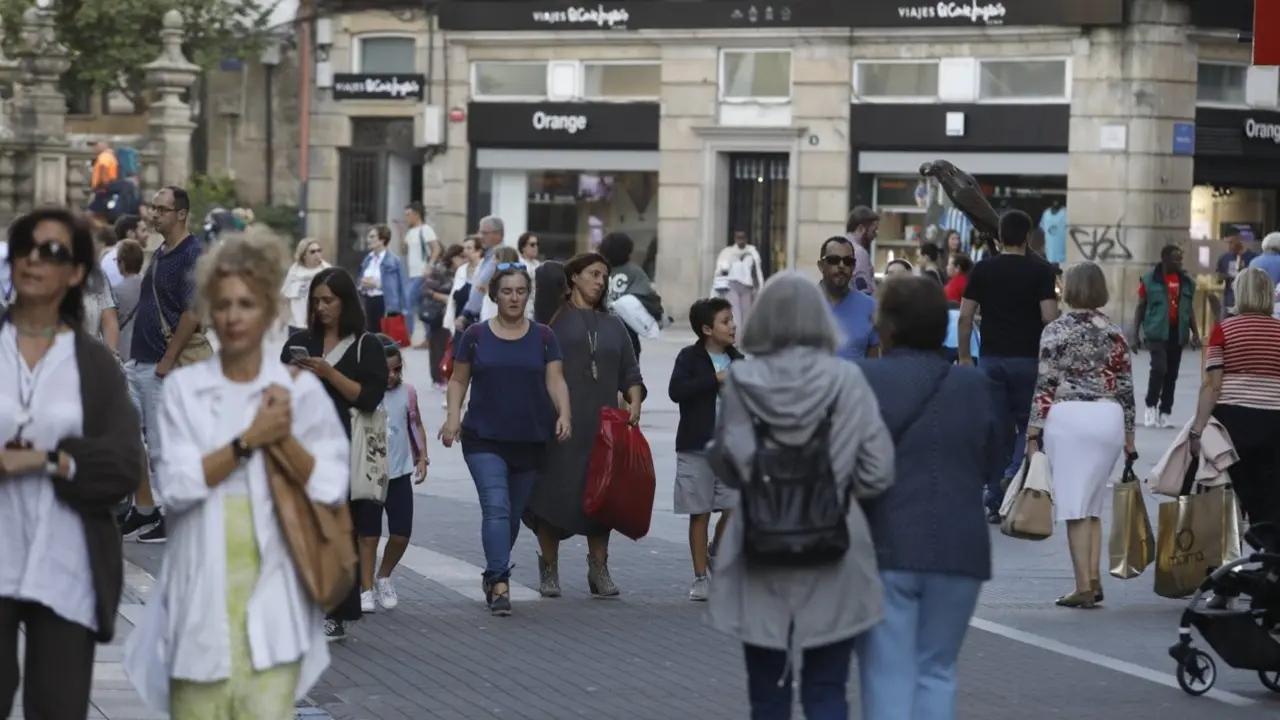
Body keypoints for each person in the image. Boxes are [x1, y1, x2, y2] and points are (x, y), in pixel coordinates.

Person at [125, 229, 349, 718]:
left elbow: (332, 485)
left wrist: (283, 436)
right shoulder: (186, 390)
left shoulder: (298, 392)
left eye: (246, 303)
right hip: (200, 599)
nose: (232, 316)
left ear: (269, 307)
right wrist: (249, 440)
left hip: (274, 602)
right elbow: (179, 487)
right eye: (221, 303)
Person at [707, 272, 895, 719]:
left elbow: (731, 464)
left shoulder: (742, 382)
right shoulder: (847, 381)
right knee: (827, 687)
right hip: (834, 544)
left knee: (768, 694)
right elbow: (878, 470)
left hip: (761, 544)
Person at [0, 208, 142, 719]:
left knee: (57, 708)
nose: (34, 261)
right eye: (25, 250)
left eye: (52, 252)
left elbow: (125, 465)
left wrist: (50, 460)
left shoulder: (93, 365)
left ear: (77, 273)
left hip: (65, 564)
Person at [854, 275, 997, 720]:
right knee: (937, 670)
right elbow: (992, 462)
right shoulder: (974, 385)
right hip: (960, 546)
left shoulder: (864, 378)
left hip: (888, 543)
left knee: (888, 672)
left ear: (889, 326)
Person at [441, 264, 571, 615]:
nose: (514, 297)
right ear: (494, 295)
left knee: (512, 517)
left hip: (529, 439)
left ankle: (493, 570)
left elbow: (555, 380)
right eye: (507, 291)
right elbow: (457, 380)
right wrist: (453, 418)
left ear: (528, 295)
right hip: (483, 437)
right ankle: (500, 582)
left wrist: (565, 413)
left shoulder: (544, 336)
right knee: (496, 507)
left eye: (520, 291)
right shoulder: (477, 335)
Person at [281, 268, 389, 641]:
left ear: (345, 302)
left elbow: (370, 397)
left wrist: (329, 373)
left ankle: (334, 613)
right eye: (316, 301)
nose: (322, 308)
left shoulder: (366, 345)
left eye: (329, 300)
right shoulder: (300, 340)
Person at [527, 254, 643, 598]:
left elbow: (630, 372)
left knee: (602, 496)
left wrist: (634, 400)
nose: (600, 281)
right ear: (574, 278)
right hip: (559, 421)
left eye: (604, 276)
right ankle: (549, 569)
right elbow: (546, 273)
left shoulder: (614, 324)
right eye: (593, 274)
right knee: (551, 495)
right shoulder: (552, 320)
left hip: (602, 425)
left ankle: (599, 569)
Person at [1027, 262, 1135, 608]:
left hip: (1069, 417)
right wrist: (1130, 435)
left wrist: (1033, 431)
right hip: (1108, 418)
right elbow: (1126, 388)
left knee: (1075, 503)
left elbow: (1045, 383)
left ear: (1069, 289)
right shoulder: (1115, 332)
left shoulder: (1056, 331)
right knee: (1091, 504)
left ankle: (1082, 586)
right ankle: (1094, 577)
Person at [118, 185, 208, 545]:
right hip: (139, 360)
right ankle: (144, 508)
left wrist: (168, 361)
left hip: (162, 364)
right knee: (127, 434)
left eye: (161, 209)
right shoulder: (161, 252)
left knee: (163, 446)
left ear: (181, 213)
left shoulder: (193, 253)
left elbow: (193, 310)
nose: (154, 214)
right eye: (153, 208)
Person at [958, 210, 1059, 523]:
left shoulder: (983, 270)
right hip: (1029, 361)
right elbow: (1049, 318)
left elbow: (964, 316)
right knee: (1030, 425)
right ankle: (1014, 474)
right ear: (1027, 236)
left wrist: (964, 356)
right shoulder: (1041, 270)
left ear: (999, 237)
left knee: (995, 426)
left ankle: (993, 495)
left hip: (990, 359)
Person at [1191, 267, 1280, 528]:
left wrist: (1197, 430)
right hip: (1274, 423)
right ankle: (1269, 561)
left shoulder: (1224, 330)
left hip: (1231, 425)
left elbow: (1212, 385)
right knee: (1270, 498)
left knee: (1230, 496)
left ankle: (1229, 558)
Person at [668, 297, 742, 601]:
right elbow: (677, 392)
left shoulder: (739, 360)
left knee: (736, 508)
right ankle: (700, 578)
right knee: (698, 513)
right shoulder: (689, 358)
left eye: (732, 319)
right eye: (726, 321)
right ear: (707, 329)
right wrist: (714, 380)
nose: (733, 325)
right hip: (696, 448)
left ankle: (717, 550)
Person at [355, 338, 429, 613]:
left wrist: (422, 458)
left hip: (399, 473)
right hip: (369, 475)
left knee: (401, 533)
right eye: (387, 370)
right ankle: (365, 590)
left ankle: (383, 576)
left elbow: (416, 424)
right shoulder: (361, 392)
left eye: (397, 369)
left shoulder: (407, 392)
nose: (393, 376)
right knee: (368, 535)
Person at [1132, 244, 1200, 429]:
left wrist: (1196, 333)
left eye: (1180, 259)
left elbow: (1189, 309)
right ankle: (1150, 406)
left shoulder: (1186, 282)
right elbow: (1140, 307)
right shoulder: (1149, 280)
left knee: (1171, 374)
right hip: (1155, 332)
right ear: (1165, 260)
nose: (1180, 262)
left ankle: (1165, 412)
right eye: (1176, 259)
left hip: (1177, 333)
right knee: (1159, 367)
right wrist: (1134, 334)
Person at [601, 231, 664, 360]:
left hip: (600, 331)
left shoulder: (598, 270)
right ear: (628, 251)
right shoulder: (635, 272)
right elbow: (649, 297)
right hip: (627, 334)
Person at [818, 236, 880, 360]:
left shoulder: (870, 308)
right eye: (834, 260)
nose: (841, 266)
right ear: (821, 266)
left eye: (848, 261)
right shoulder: (803, 305)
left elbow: (873, 362)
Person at [422, 243, 462, 388]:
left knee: (444, 344)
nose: (463, 260)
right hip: (437, 312)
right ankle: (437, 378)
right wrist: (444, 298)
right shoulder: (441, 270)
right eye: (461, 257)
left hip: (450, 313)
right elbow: (426, 290)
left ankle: (441, 376)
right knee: (438, 344)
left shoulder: (461, 271)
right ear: (453, 257)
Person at [358, 224, 410, 334]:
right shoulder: (368, 259)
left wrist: (376, 284)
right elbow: (360, 281)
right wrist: (362, 285)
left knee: (385, 339)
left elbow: (399, 287)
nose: (368, 240)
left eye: (372, 237)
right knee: (370, 337)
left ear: (382, 240)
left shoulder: (393, 261)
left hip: (385, 302)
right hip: (369, 301)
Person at [458, 216, 505, 331]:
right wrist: (465, 314)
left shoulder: (502, 258)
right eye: (480, 232)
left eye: (484, 232)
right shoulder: (486, 258)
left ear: (498, 234)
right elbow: (477, 290)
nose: (480, 236)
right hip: (477, 318)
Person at [403, 202, 440, 344]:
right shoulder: (410, 232)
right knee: (421, 305)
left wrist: (429, 266)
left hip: (422, 273)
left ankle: (407, 335)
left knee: (408, 300)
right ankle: (429, 337)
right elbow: (404, 251)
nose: (407, 218)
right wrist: (402, 232)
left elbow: (436, 249)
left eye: (408, 215)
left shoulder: (426, 229)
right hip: (412, 274)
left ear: (417, 215)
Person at [713, 230, 766, 329]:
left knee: (746, 312)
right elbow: (721, 269)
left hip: (747, 286)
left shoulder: (752, 252)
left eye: (742, 238)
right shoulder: (728, 252)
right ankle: (736, 339)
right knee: (735, 312)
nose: (740, 241)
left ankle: (744, 337)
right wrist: (724, 267)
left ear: (746, 239)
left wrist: (759, 286)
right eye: (738, 238)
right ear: (735, 239)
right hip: (732, 284)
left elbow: (756, 271)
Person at [281, 238, 329, 335]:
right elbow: (285, 296)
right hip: (296, 325)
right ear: (304, 255)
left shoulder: (327, 270)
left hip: (319, 324)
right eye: (312, 252)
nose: (317, 254)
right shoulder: (294, 271)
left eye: (319, 251)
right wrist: (284, 318)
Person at [113, 239, 146, 365]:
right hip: (147, 350)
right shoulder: (149, 285)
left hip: (125, 350)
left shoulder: (116, 291)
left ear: (122, 263)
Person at [1215, 234, 1259, 319]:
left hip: (1247, 301)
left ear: (1239, 240)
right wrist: (1222, 277)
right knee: (1225, 325)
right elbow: (1219, 279)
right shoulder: (1224, 258)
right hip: (1229, 300)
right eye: (1227, 243)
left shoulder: (1252, 258)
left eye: (1231, 243)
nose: (1229, 246)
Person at [846, 206, 879, 295]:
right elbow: (864, 291)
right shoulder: (859, 253)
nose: (875, 236)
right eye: (873, 231)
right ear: (861, 229)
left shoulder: (839, 246)